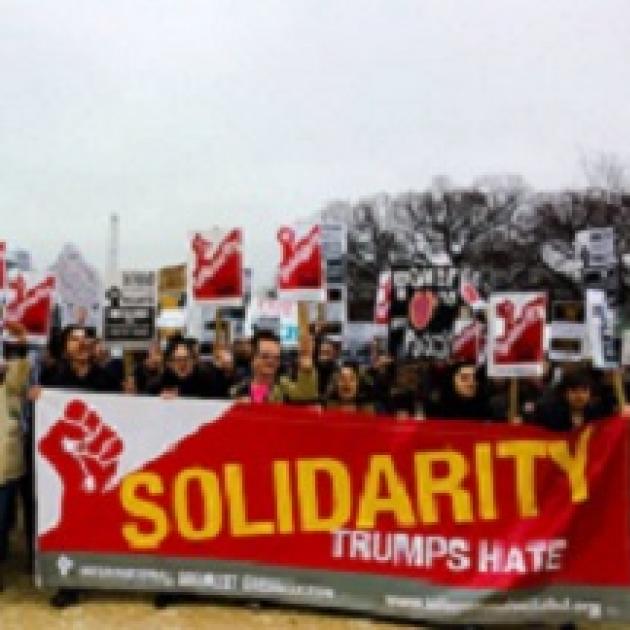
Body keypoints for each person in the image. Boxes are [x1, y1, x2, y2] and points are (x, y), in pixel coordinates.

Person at [0, 323, 30, 591]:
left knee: (1, 525)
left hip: (4, 467)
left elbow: (19, 377)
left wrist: (21, 342)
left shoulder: (8, 386)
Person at [230, 330, 318, 403]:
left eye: (276, 357)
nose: (271, 361)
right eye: (265, 356)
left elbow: (307, 397)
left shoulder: (285, 387)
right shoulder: (238, 391)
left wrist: (307, 371)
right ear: (252, 359)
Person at [532, 368, 614, 431]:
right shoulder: (549, 415)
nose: (580, 396)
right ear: (564, 393)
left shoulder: (597, 414)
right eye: (574, 391)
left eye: (584, 390)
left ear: (590, 393)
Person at [154, 336, 229, 399]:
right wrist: (159, 399)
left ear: (194, 361)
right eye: (177, 360)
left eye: (186, 359)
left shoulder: (208, 376)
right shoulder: (163, 379)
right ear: (169, 363)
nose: (182, 364)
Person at [424, 361, 492, 420]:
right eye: (464, 378)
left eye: (475, 378)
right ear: (452, 381)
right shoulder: (436, 409)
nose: (472, 383)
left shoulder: (487, 407)